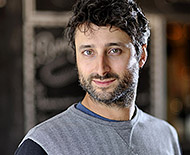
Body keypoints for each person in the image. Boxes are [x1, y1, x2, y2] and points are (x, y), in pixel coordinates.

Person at [15, 0, 181, 154]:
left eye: (114, 50)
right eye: (88, 52)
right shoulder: (43, 145)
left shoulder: (165, 135)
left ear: (141, 55)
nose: (101, 69)